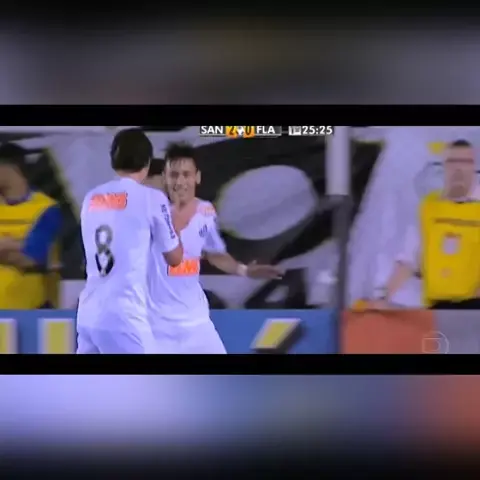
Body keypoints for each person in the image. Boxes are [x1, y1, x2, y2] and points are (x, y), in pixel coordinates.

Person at [147, 142, 283, 354]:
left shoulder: (205, 211)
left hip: (194, 319)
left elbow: (215, 254)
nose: (180, 182)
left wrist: (244, 270)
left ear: (197, 177)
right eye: (174, 175)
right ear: (165, 178)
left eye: (186, 175)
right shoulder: (147, 214)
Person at [76, 129, 183, 354]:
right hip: (123, 315)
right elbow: (175, 257)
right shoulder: (152, 198)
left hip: (88, 312)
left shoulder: (91, 197)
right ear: (147, 162)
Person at [374, 139, 480, 310]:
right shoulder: (428, 208)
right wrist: (384, 297)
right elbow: (408, 259)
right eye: (453, 162)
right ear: (445, 166)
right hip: (437, 308)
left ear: (473, 167)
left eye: (465, 162)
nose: (459, 168)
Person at [0, 143, 62, 309]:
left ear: (9, 169)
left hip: (31, 314)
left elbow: (31, 260)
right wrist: (16, 244)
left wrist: (8, 246)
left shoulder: (46, 209)